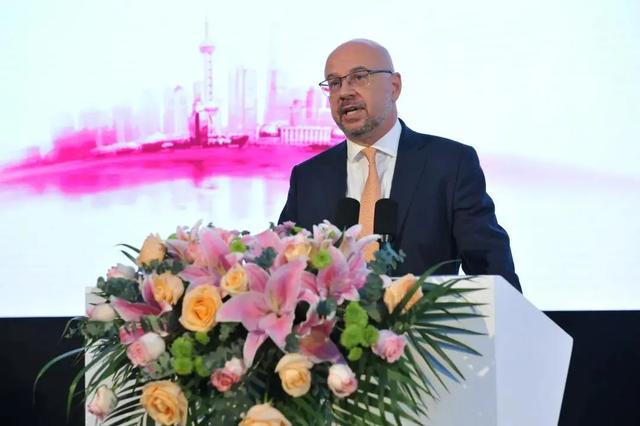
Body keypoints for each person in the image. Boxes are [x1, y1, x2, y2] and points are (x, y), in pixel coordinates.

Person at [278, 39, 521, 292]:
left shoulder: (450, 165)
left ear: (394, 87)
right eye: (334, 83)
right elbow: (282, 271)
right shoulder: (308, 177)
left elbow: (493, 273)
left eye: (359, 77)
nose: (344, 92)